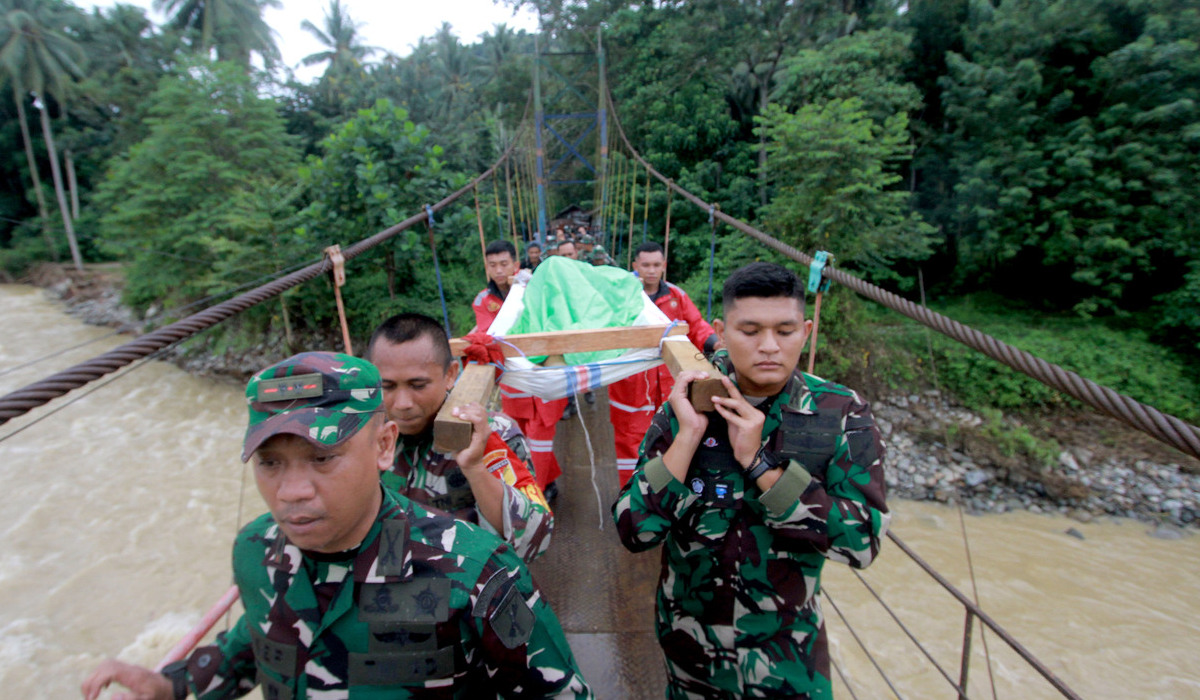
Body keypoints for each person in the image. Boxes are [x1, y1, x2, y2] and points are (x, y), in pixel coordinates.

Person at [82, 352, 592, 700]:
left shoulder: (474, 572)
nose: (291, 491)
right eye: (270, 462)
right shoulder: (255, 551)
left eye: (322, 457)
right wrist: (171, 686)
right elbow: (257, 642)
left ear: (383, 446)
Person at [612, 262, 889, 698]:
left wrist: (761, 466)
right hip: (692, 654)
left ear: (807, 331)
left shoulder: (838, 412)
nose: (769, 347)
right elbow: (634, 530)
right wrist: (687, 438)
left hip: (787, 657)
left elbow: (861, 543)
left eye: (785, 330)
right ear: (721, 331)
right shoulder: (687, 403)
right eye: (750, 330)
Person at [366, 313, 554, 562]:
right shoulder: (364, 437)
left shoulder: (490, 433)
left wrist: (475, 468)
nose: (402, 404)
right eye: (387, 386)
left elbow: (536, 539)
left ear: (451, 374)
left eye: (418, 385)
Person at [608, 241, 719, 487]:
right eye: (645, 265)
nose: (651, 270)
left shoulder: (676, 296)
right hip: (631, 384)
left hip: (669, 383)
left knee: (671, 434)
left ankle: (665, 491)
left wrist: (715, 343)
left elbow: (697, 325)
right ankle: (630, 495)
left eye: (656, 265)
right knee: (628, 443)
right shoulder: (622, 297)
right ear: (635, 266)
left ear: (664, 266)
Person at [470, 245, 567, 493]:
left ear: (515, 264)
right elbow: (493, 333)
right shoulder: (484, 299)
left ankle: (536, 493)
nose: (498, 270)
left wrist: (531, 288)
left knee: (540, 439)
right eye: (492, 265)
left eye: (504, 264)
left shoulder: (535, 288)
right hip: (514, 381)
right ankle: (549, 478)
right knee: (521, 436)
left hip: (542, 373)